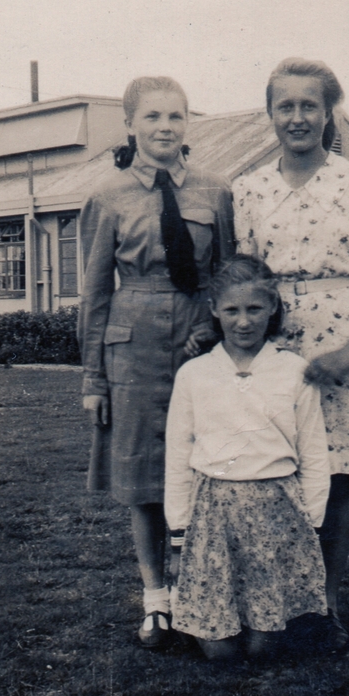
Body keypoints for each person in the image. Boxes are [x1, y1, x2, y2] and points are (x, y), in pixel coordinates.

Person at [232, 57, 349, 649]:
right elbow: (246, 277)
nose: (297, 117)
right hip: (275, 343)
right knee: (272, 471)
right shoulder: (249, 189)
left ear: (329, 112)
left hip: (346, 342)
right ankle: (273, 598)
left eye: (309, 105)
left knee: (337, 476)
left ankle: (325, 604)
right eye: (285, 106)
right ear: (270, 114)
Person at [78, 75, 235, 649]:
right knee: (143, 476)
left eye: (176, 116)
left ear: (188, 124)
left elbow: (226, 274)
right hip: (132, 344)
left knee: (206, 467)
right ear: (130, 126)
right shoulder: (107, 196)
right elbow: (94, 294)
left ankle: (200, 592)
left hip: (198, 339)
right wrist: (94, 378)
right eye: (152, 117)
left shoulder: (216, 191)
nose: (165, 127)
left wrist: (211, 328)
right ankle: (156, 603)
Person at [165, 254, 330, 662]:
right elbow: (178, 456)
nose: (243, 322)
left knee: (261, 649)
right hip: (213, 513)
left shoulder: (293, 370)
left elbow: (313, 452)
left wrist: (312, 522)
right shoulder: (194, 374)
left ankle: (261, 624)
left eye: (255, 309)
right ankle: (205, 619)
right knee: (220, 654)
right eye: (232, 310)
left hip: (277, 512)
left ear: (272, 307)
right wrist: (178, 531)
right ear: (214, 310)